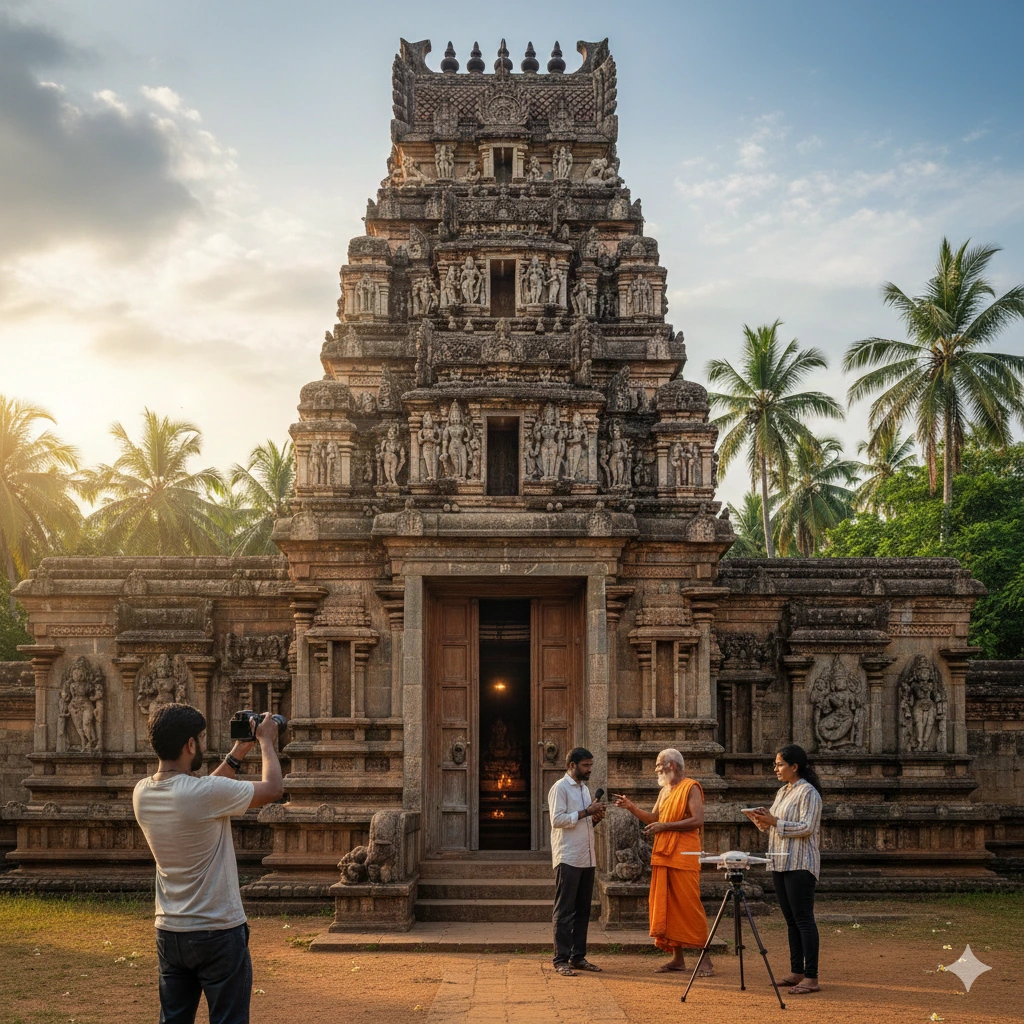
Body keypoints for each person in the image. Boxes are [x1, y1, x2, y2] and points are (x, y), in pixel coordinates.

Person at [133, 703, 284, 1023]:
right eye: (198, 740)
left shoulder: (142, 793)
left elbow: (205, 793)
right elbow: (273, 789)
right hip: (218, 931)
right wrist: (267, 741)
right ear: (190, 745)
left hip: (170, 930)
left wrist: (238, 752)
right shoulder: (203, 794)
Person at [614, 748, 712, 975]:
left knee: (689, 906)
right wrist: (631, 807)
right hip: (664, 853)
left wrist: (665, 827)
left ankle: (705, 956)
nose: (656, 770)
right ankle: (678, 959)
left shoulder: (691, 787)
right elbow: (654, 819)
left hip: (684, 854)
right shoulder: (665, 791)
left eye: (659, 765)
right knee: (667, 907)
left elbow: (698, 820)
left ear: (672, 766)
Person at [748, 743, 823, 995]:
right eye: (775, 764)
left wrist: (775, 821)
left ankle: (811, 977)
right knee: (791, 920)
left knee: (803, 919)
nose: (776, 769)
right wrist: (762, 820)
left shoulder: (808, 792)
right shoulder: (783, 792)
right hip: (780, 861)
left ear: (795, 766)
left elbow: (807, 827)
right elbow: (775, 825)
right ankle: (796, 971)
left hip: (801, 863)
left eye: (780, 764)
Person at [548, 746, 606, 976]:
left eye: (591, 765)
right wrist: (586, 811)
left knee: (583, 911)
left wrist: (594, 818)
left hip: (586, 857)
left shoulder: (584, 789)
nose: (589, 770)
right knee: (564, 911)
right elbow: (557, 820)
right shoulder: (560, 788)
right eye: (585, 766)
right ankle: (560, 959)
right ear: (572, 765)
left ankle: (578, 956)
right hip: (568, 857)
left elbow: (582, 824)